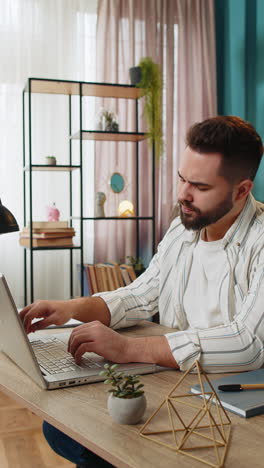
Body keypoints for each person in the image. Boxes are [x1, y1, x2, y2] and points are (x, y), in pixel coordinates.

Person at [20, 115, 264, 467]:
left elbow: (248, 344)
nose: (183, 194)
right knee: (60, 430)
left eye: (200, 186)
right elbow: (142, 295)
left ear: (241, 190)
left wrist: (128, 348)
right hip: (175, 386)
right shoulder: (185, 228)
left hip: (233, 402)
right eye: (182, 179)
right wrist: (71, 308)